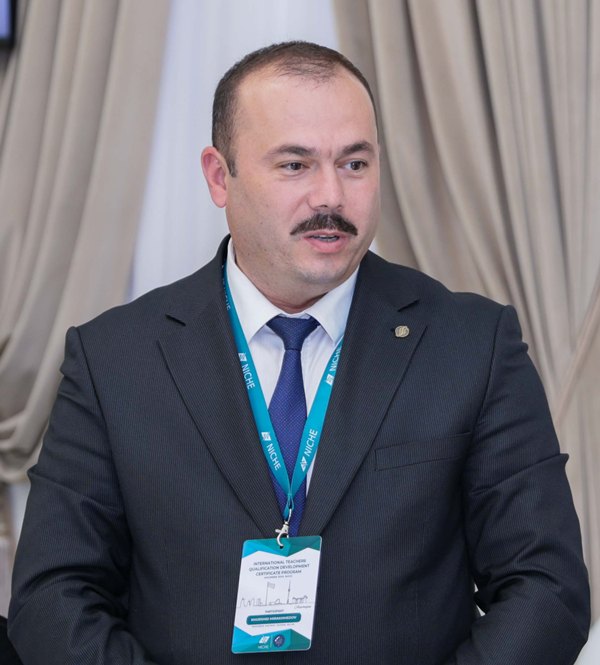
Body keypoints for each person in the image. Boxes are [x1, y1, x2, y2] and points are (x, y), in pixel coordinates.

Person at [8, 41, 590, 665]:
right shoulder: (114, 359)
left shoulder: (471, 344)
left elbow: (545, 591)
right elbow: (53, 597)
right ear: (219, 176)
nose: (330, 197)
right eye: (295, 165)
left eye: (355, 163)